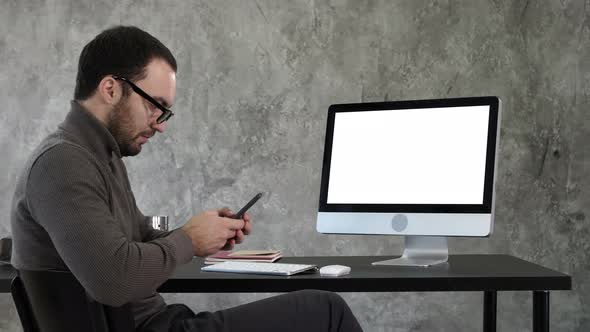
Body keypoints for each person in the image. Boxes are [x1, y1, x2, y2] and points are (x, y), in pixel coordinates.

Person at [10, 26, 363, 332]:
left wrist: (205, 234)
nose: (160, 123)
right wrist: (188, 241)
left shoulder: (100, 156)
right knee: (325, 310)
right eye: (154, 104)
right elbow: (115, 279)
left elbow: (136, 241)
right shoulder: (62, 163)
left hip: (156, 322)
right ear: (111, 89)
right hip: (146, 328)